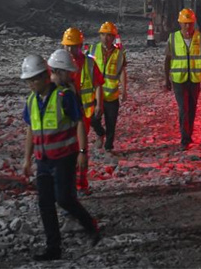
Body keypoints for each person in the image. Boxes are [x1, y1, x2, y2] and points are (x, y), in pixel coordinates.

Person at [20, 53, 100, 261]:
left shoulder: (64, 96)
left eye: (34, 79)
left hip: (64, 157)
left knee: (64, 199)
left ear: (45, 76)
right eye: (28, 81)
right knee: (45, 203)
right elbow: (30, 130)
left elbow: (79, 122)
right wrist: (27, 159)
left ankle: (90, 225)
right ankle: (53, 248)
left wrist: (83, 152)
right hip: (43, 160)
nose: (31, 84)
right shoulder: (31, 101)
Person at [164, 9, 201, 150]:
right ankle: (184, 139)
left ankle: (188, 134)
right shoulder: (173, 38)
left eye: (190, 23)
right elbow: (167, 59)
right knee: (183, 108)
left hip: (194, 79)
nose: (188, 26)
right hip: (178, 79)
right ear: (180, 23)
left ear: (194, 23)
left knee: (192, 108)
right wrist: (166, 79)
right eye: (185, 23)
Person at [61, 27, 103, 195]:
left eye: (73, 46)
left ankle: (81, 182)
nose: (70, 50)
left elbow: (98, 84)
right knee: (66, 148)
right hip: (64, 115)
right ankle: (68, 182)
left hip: (84, 113)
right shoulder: (59, 64)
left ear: (80, 45)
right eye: (67, 46)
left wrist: (99, 104)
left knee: (80, 147)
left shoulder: (89, 63)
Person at [90, 22, 126, 152]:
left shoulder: (119, 53)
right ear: (100, 35)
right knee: (92, 119)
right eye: (103, 35)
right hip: (95, 93)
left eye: (109, 35)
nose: (106, 38)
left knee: (111, 122)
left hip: (111, 94)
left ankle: (109, 147)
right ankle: (100, 133)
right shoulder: (92, 50)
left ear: (114, 37)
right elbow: (87, 68)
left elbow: (121, 71)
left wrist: (124, 90)